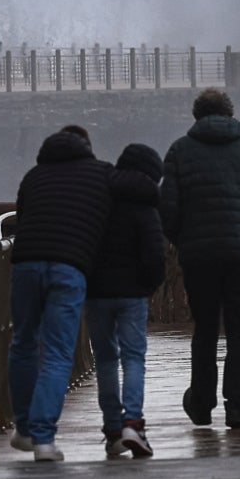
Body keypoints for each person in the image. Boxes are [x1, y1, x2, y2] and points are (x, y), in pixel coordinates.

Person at [8, 124, 114, 462]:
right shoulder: (102, 175)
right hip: (70, 265)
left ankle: (24, 429)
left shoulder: (34, 176)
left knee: (23, 342)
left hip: (26, 263)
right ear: (87, 146)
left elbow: (22, 218)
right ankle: (43, 438)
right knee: (56, 353)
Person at [161, 88, 240, 429]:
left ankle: (202, 403)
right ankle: (237, 406)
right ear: (230, 114)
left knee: (205, 329)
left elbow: (169, 209)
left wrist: (185, 240)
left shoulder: (179, 150)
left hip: (200, 256)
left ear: (197, 116)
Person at [85, 143, 165, 458]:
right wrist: (148, 285)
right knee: (133, 357)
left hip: (97, 292)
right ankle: (133, 422)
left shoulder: (97, 200)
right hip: (132, 293)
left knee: (105, 359)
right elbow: (155, 255)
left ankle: (113, 430)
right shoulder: (145, 204)